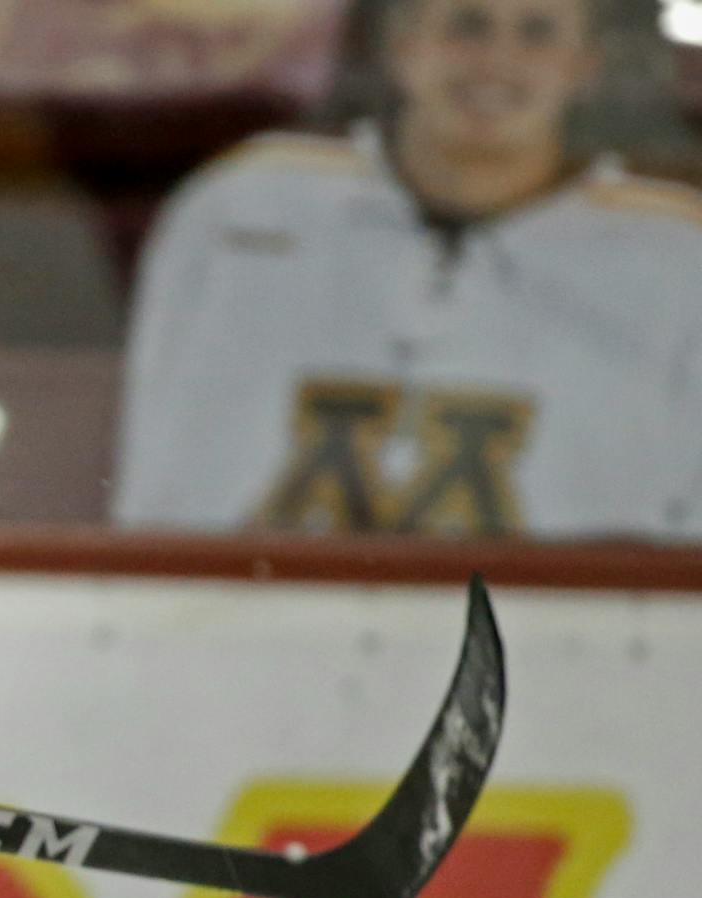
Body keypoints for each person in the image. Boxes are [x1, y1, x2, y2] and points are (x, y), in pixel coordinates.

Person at [113, 0, 702, 537]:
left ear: (583, 66)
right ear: (403, 45)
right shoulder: (244, 209)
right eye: (468, 25)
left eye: (536, 33)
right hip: (245, 625)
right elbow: (166, 467)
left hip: (557, 642)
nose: (496, 60)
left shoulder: (673, 255)